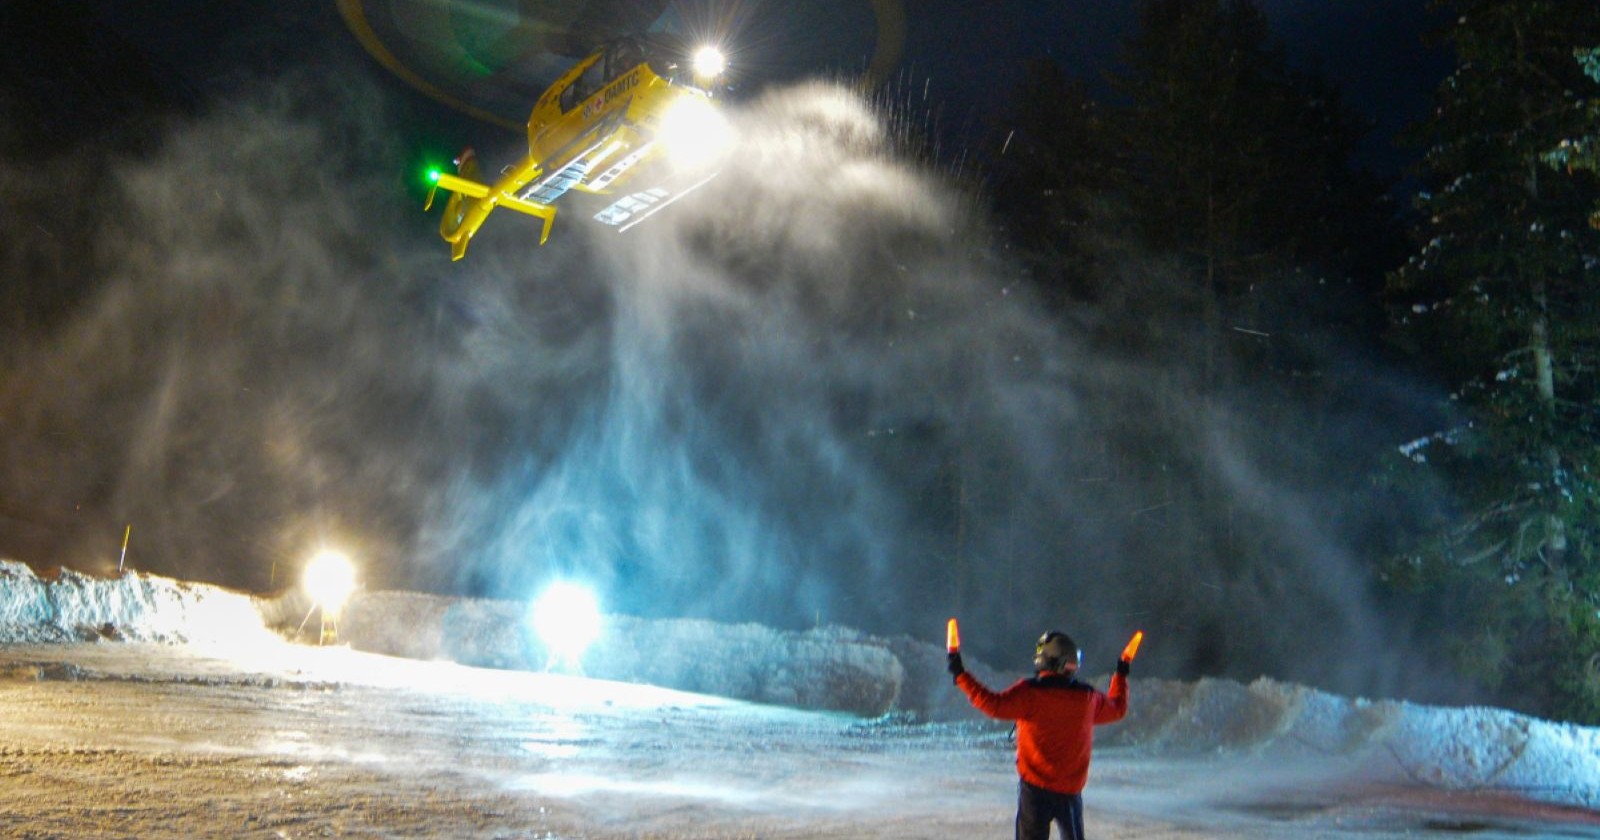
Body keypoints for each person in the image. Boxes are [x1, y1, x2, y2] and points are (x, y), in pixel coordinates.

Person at [949, 630, 1130, 840]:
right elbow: (1118, 708)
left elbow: (992, 704)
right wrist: (1121, 673)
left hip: (1035, 790)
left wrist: (960, 674)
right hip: (1070, 791)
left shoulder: (1030, 693)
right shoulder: (1087, 697)